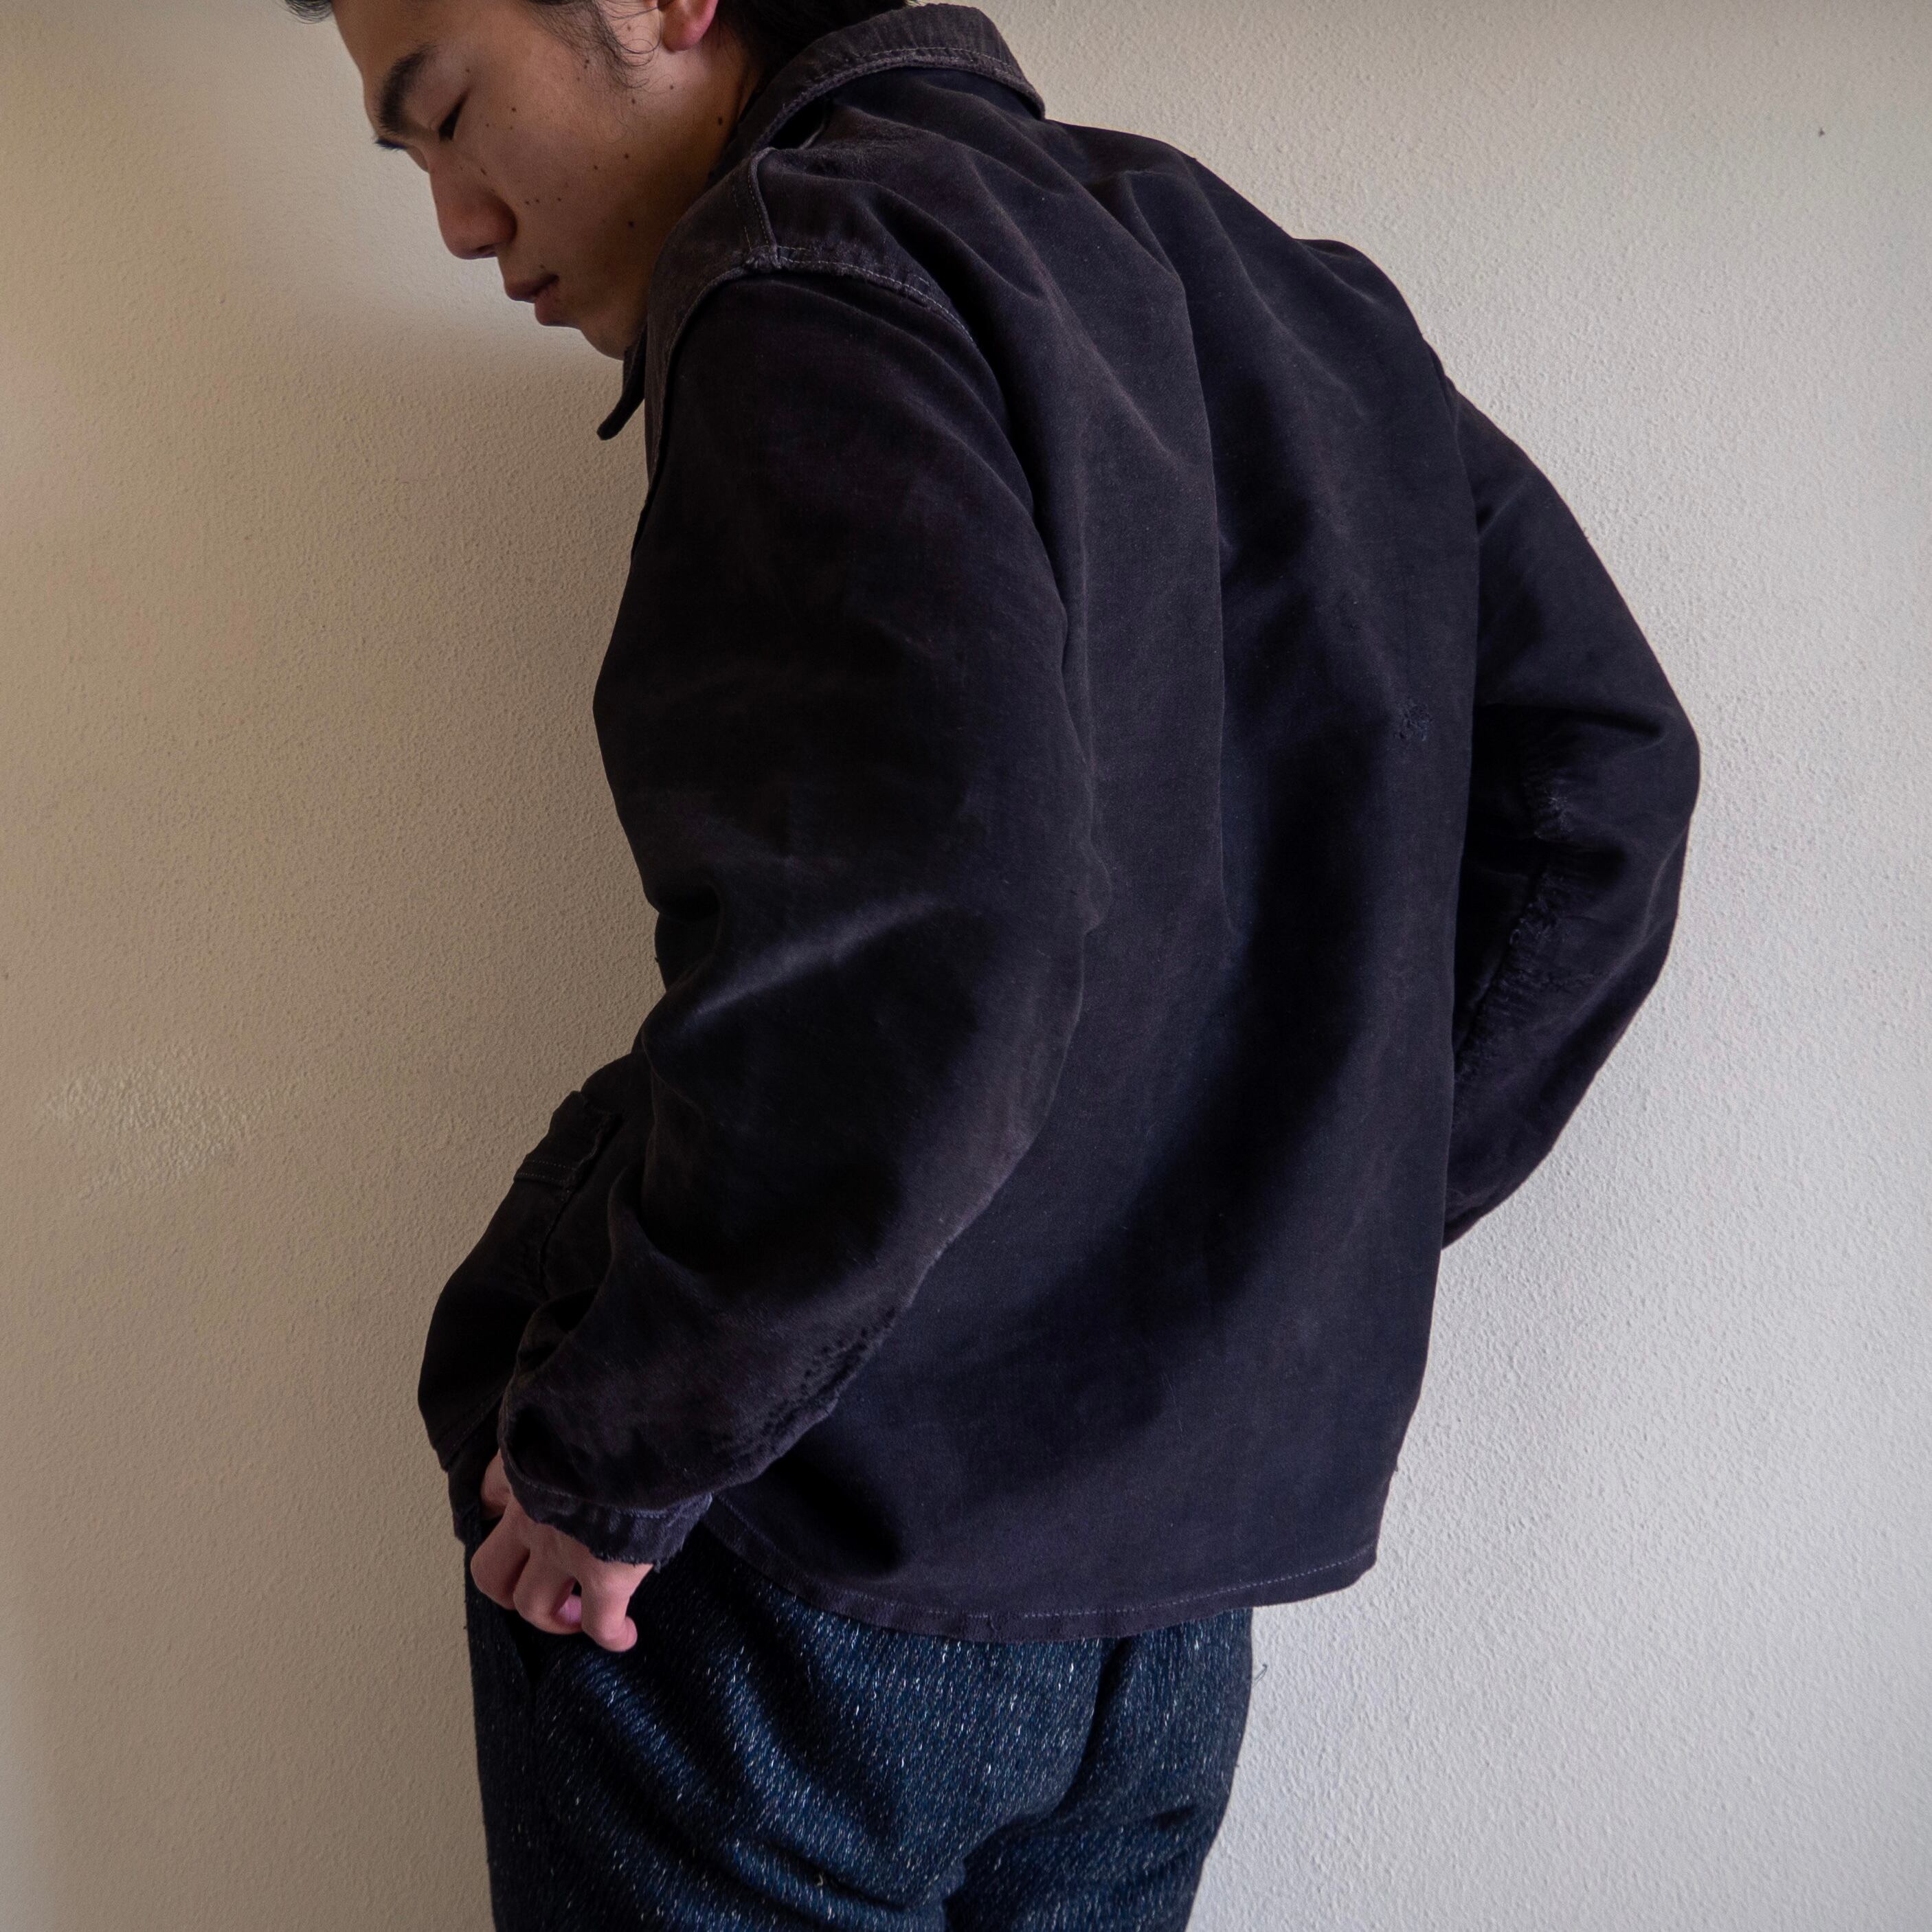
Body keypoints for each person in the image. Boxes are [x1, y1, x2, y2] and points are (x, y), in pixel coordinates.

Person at [298, 0, 1702, 1924]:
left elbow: (924, 925)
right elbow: (1602, 777)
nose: (459, 221)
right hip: (1161, 1623)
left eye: (449, 113)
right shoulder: (1266, 285)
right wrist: (1287, 1200)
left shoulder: (797, 276)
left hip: (804, 1572)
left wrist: (618, 1447)